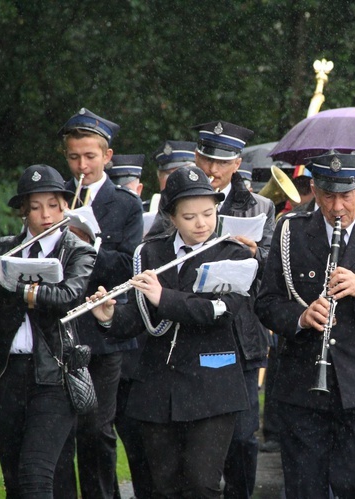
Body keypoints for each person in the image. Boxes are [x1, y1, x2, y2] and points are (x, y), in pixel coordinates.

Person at [256, 152, 355, 498]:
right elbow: (266, 303)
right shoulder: (290, 231)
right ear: (314, 189)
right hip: (302, 382)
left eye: (346, 195)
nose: (337, 206)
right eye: (328, 195)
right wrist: (300, 318)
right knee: (304, 484)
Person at [89, 166, 252, 497]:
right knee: (163, 487)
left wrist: (165, 297)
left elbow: (218, 312)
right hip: (157, 387)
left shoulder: (233, 253)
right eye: (189, 217)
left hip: (213, 385)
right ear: (171, 217)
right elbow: (139, 320)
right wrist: (109, 316)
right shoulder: (151, 252)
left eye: (208, 213)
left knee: (202, 483)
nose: (201, 224)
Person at [0, 165, 96, 498]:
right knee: (15, 480)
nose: (46, 215)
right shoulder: (2, 249)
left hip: (54, 376)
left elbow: (65, 298)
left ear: (65, 206)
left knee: (36, 476)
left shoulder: (78, 251)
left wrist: (5, 284)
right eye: (35, 207)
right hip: (4, 376)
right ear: (23, 212)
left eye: (54, 205)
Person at [55, 108, 144, 499]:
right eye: (74, 157)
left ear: (108, 156)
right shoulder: (53, 199)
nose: (81, 166)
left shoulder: (125, 205)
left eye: (90, 157)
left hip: (103, 333)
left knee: (96, 429)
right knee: (59, 431)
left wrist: (89, 244)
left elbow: (127, 265)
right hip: (58, 330)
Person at [192, 120, 274, 498]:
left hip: (239, 335)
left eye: (222, 162)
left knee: (242, 435)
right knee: (200, 436)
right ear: (196, 156)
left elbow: (274, 271)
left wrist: (257, 253)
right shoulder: (180, 197)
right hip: (194, 330)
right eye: (207, 159)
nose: (212, 170)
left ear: (237, 163)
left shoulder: (261, 205)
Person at [105, 153, 153, 498]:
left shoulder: (148, 218)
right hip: (107, 336)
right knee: (107, 432)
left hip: (140, 344)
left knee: (142, 436)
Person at [144, 140, 200, 239]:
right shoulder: (143, 211)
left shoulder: (210, 205)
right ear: (159, 178)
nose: (174, 179)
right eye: (168, 174)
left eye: (181, 172)